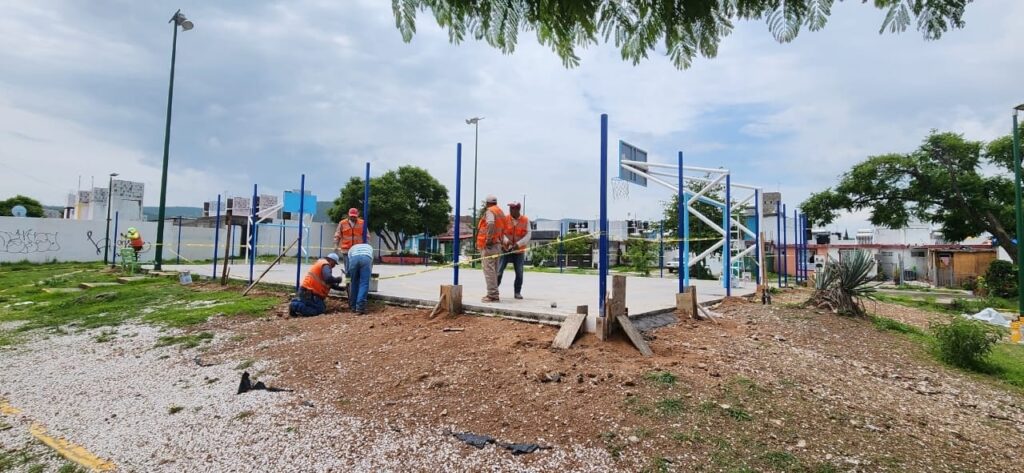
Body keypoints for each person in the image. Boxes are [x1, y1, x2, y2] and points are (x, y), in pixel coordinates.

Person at [476, 195, 508, 302]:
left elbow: (490, 223)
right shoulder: (500, 212)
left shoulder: (490, 211)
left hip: (489, 245)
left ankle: (492, 295)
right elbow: (503, 228)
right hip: (497, 245)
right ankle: (494, 293)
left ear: (487, 203)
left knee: (489, 271)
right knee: (493, 271)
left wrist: (488, 239)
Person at [497, 202, 531, 299]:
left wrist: (518, 244)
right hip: (505, 250)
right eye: (510, 208)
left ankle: (517, 292)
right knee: (499, 272)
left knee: (519, 273)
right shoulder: (505, 219)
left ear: (517, 210)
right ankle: (494, 291)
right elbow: (500, 232)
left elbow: (528, 235)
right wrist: (506, 242)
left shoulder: (525, 220)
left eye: (512, 208)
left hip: (519, 252)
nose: (510, 210)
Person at [346, 242, 374, 314]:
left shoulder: (352, 248)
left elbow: (348, 263)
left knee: (354, 283)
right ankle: (360, 307)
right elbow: (371, 262)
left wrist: (348, 276)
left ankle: (353, 306)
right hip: (366, 258)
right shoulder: (369, 247)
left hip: (353, 260)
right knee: (364, 283)